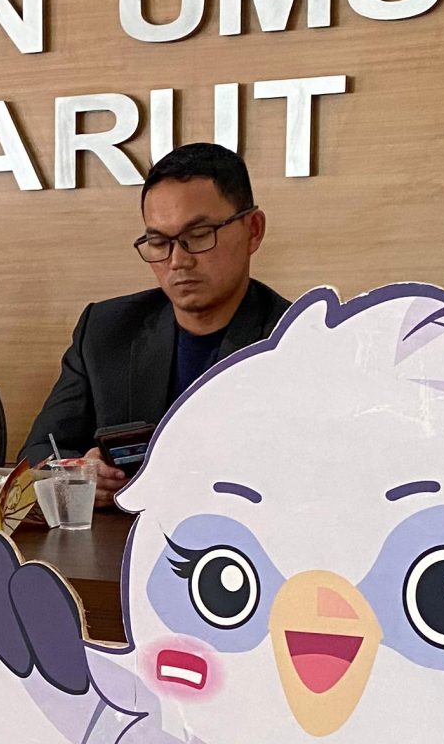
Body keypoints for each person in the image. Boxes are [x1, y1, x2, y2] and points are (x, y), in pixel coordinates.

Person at [20, 143, 289, 496]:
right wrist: (81, 472)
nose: (178, 260)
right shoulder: (105, 331)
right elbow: (38, 453)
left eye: (198, 236)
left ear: (253, 229)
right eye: (159, 242)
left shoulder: (297, 342)